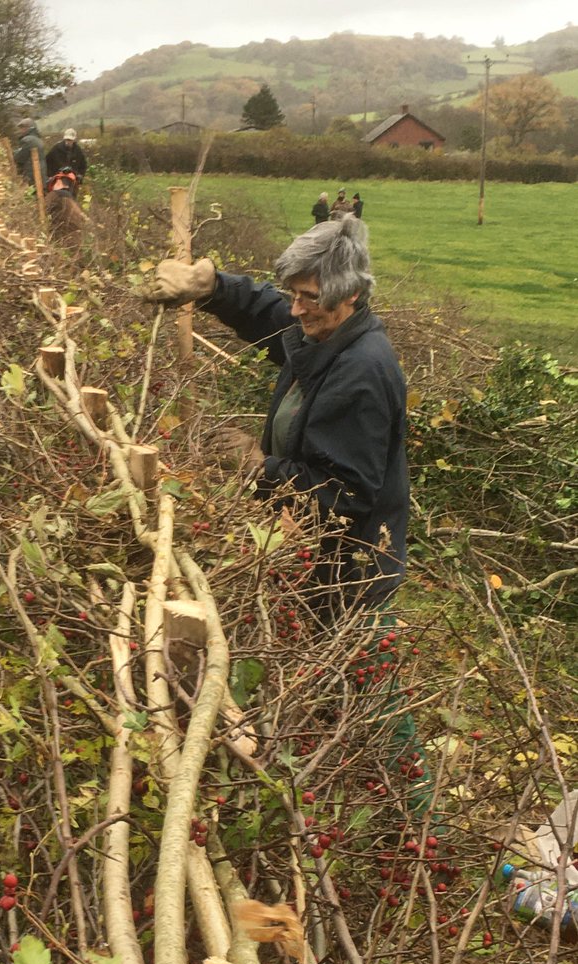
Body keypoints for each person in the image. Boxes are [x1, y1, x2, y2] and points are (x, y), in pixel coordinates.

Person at [144, 218, 435, 815]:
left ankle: (419, 815)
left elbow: (342, 492)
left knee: (370, 680)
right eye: (294, 293)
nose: (298, 308)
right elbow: (273, 319)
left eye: (311, 297)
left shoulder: (360, 371)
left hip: (354, 563)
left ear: (350, 294)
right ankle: (345, 776)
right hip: (315, 551)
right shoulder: (323, 335)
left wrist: (257, 466)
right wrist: (213, 285)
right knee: (333, 678)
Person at [12, 117, 47, 189]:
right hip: (41, 176)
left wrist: (14, 153)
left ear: (28, 128)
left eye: (22, 128)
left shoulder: (27, 140)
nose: (20, 130)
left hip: (31, 176)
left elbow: (19, 158)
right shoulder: (38, 140)